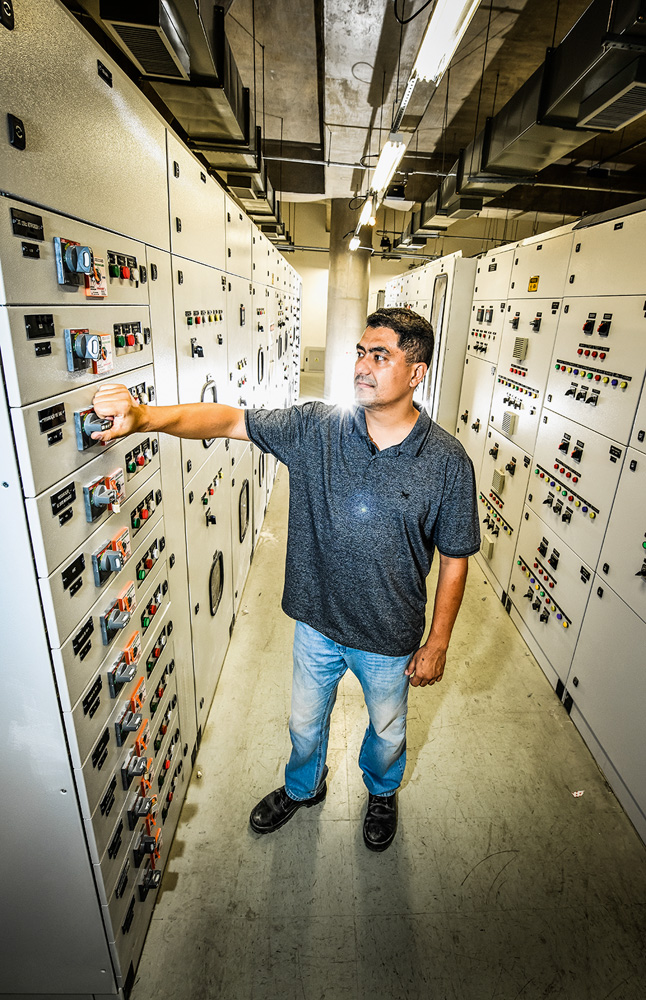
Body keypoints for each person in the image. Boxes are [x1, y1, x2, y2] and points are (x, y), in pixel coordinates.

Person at [91, 307, 480, 852]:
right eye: (361, 353)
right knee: (303, 724)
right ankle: (303, 787)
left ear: (416, 372)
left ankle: (382, 791)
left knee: (388, 734)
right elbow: (230, 420)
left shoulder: (446, 461)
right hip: (316, 623)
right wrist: (145, 417)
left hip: (390, 635)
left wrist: (437, 641)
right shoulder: (316, 428)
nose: (363, 367)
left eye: (381, 356)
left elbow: (455, 558)